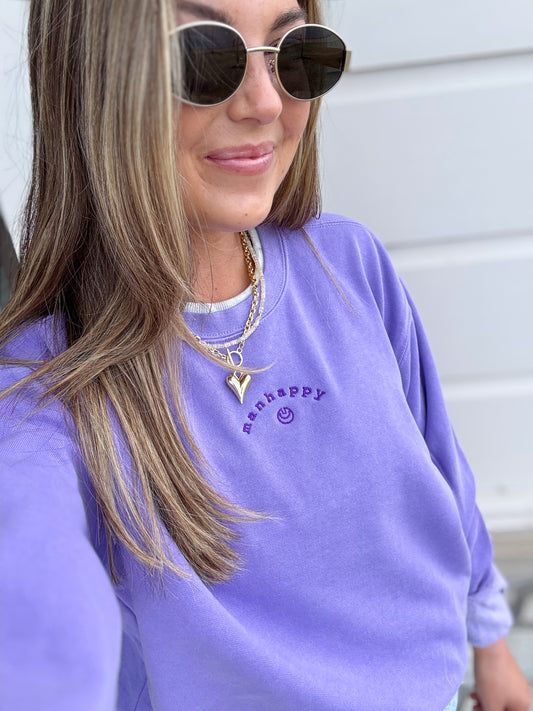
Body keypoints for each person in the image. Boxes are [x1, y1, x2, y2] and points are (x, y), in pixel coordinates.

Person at [0, 0, 530, 709]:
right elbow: (38, 631)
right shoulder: (42, 391)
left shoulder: (350, 263)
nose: (265, 102)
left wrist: (490, 640)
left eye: (296, 54)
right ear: (97, 79)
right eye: (203, 57)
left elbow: (439, 465)